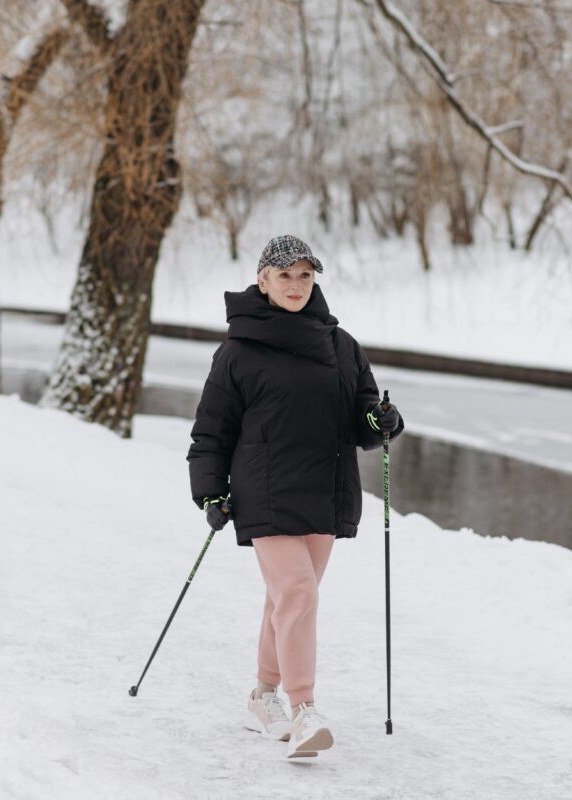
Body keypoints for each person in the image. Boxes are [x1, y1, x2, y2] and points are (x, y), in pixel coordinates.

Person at [187, 234, 404, 759]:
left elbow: (363, 418)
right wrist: (211, 491)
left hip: (324, 489)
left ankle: (262, 696)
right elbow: (212, 429)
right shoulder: (238, 349)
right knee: (299, 595)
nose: (296, 285)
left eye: (305, 275)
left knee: (287, 600)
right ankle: (304, 708)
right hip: (264, 489)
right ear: (262, 280)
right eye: (285, 275)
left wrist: (382, 423)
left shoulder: (342, 345)